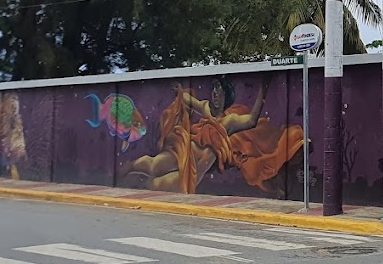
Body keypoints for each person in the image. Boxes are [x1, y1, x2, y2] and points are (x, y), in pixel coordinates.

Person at [122, 76, 303, 195]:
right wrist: (178, 90)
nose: (215, 94)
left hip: (195, 172)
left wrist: (263, 91)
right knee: (152, 166)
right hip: (182, 154)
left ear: (227, 94)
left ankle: (131, 187)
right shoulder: (206, 109)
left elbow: (251, 121)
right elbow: (188, 100)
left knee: (156, 186)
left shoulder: (230, 121)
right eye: (214, 89)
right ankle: (126, 169)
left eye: (220, 90)